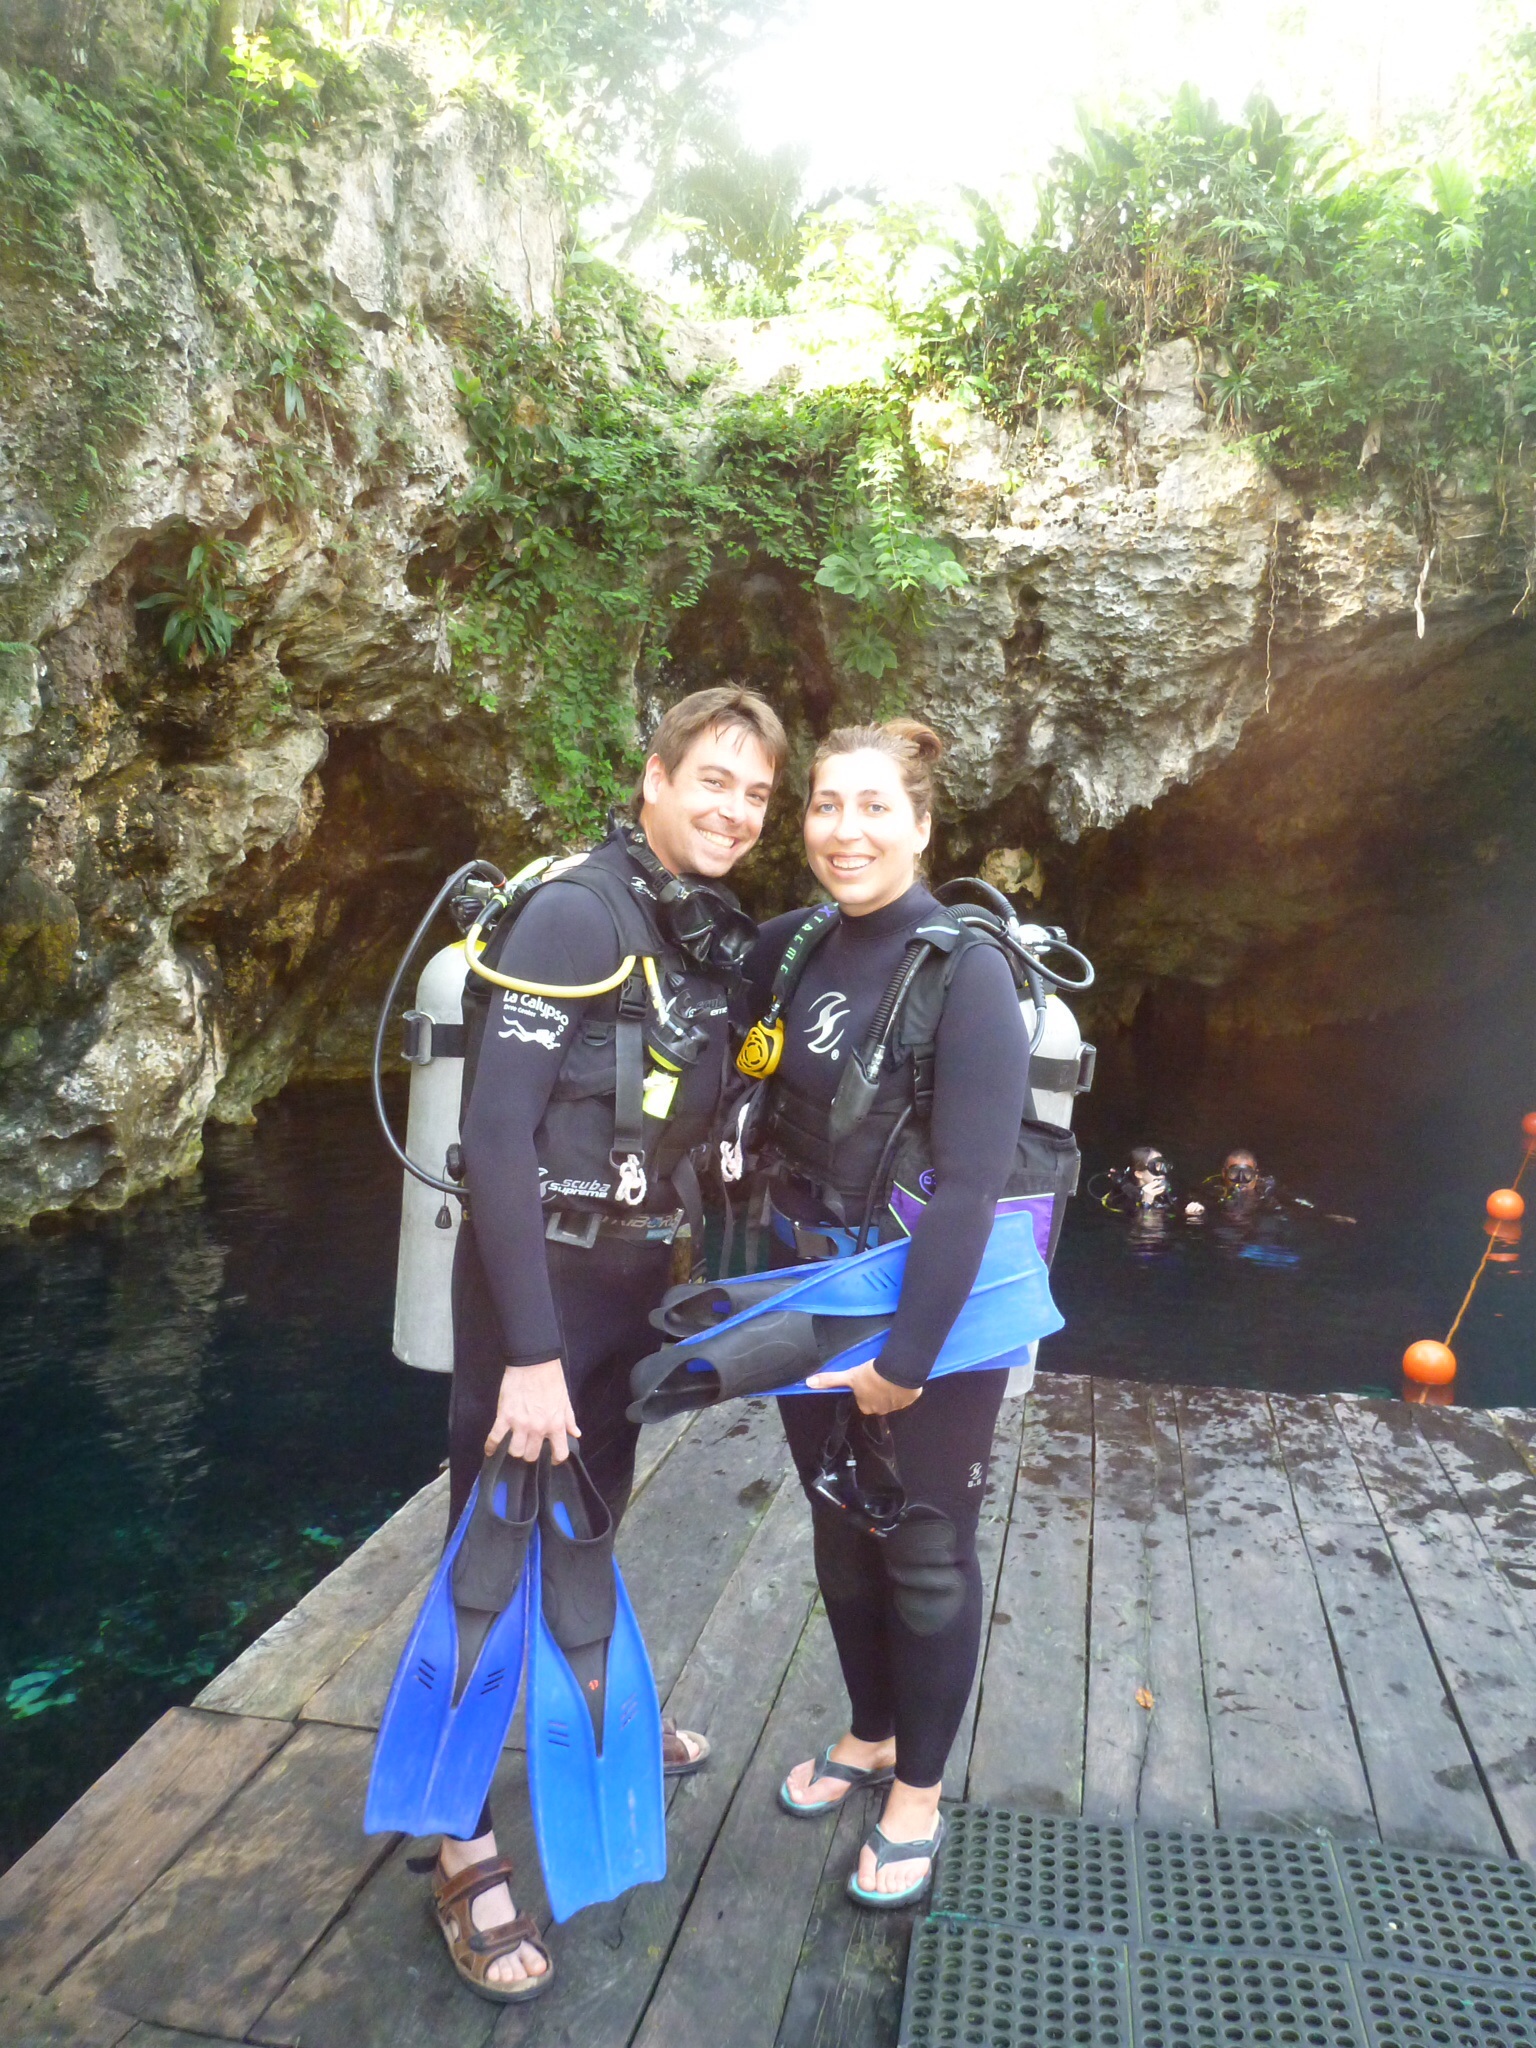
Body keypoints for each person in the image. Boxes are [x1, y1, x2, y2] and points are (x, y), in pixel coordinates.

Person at [430, 686, 786, 1997]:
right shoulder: (580, 910)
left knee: (585, 1521)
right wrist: (527, 1353)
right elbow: (498, 1146)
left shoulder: (699, 936)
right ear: (653, 776)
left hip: (629, 1291)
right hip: (539, 1294)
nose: (734, 809)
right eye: (713, 779)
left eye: (755, 792)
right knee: (491, 1545)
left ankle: (576, 1706)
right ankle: (457, 1844)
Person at [743, 718, 1030, 1911]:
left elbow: (972, 1179)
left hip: (929, 1309)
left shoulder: (967, 971)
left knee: (922, 1551)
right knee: (835, 1527)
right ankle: (866, 1732)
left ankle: (917, 1789)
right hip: (806, 1287)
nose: (844, 830)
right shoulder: (793, 945)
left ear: (920, 824)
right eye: (823, 805)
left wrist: (907, 1356)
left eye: (873, 807)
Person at [1101, 1145, 1179, 1214]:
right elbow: (1145, 1228)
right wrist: (1146, 1204)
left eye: (1163, 1165)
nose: (1163, 1171)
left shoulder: (1164, 1190)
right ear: (1139, 1174)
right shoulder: (1126, 1200)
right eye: (1156, 1166)